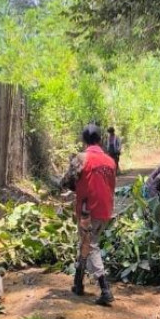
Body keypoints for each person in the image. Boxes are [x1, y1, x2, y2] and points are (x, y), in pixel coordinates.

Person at [60, 124, 117, 306]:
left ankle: (105, 288)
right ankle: (78, 283)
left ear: (83, 140)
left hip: (87, 210)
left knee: (90, 245)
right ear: (100, 140)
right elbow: (110, 185)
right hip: (105, 209)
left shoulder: (81, 158)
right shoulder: (110, 161)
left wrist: (74, 188)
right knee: (86, 244)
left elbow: (67, 181)